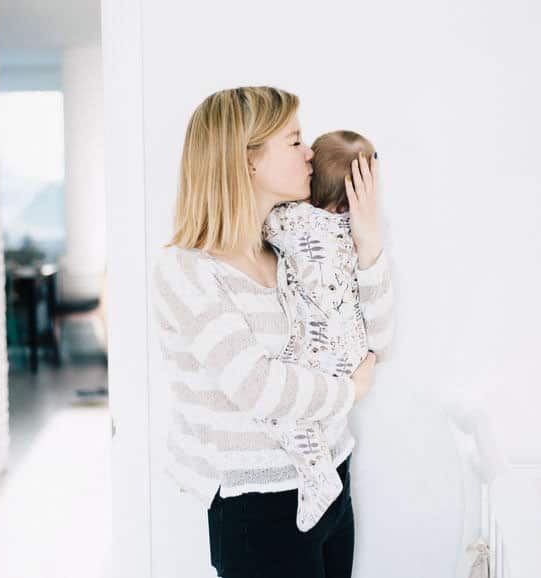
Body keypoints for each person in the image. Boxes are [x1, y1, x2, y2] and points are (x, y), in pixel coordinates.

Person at [150, 86, 393, 577]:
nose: (310, 154)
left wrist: (369, 248)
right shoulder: (187, 271)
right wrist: (349, 391)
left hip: (332, 478)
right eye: (294, 140)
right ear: (248, 162)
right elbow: (258, 388)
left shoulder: (289, 251)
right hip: (259, 504)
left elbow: (374, 344)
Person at [255, 128, 394, 534]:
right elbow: (380, 340)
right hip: (352, 351)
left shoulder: (290, 220)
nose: (306, 152)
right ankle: (319, 472)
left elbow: (259, 227)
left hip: (318, 349)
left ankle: (316, 475)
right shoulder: (358, 234)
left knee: (284, 415)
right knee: (300, 410)